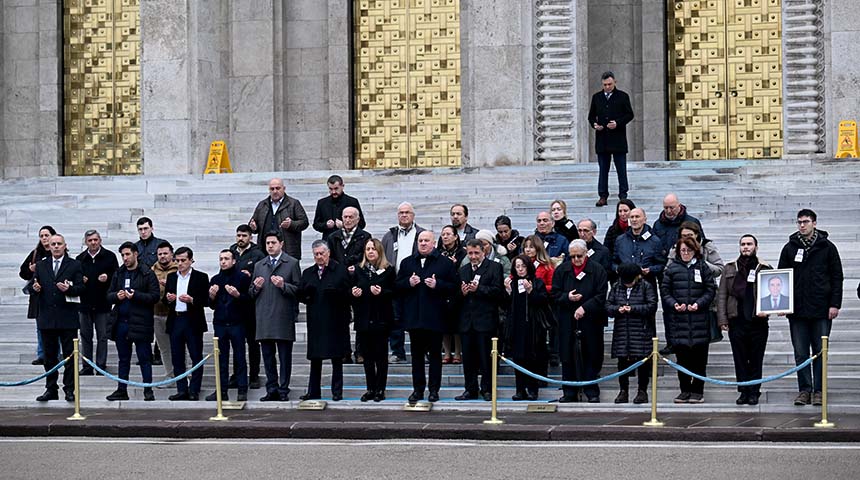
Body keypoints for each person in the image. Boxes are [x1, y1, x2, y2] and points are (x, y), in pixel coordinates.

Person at [778, 209, 843, 406]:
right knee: (800, 352)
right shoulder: (789, 248)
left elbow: (836, 277)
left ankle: (819, 390)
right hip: (797, 311)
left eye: (805, 222)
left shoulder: (828, 247)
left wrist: (834, 304)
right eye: (799, 222)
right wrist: (782, 303)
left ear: (814, 223)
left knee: (820, 351)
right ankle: (804, 390)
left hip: (821, 310)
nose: (802, 225)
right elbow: (781, 277)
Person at [396, 230, 458, 403]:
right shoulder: (407, 262)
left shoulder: (445, 263)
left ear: (433, 243)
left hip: (435, 317)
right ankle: (417, 390)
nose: (423, 243)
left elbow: (454, 287)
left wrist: (438, 285)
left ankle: (434, 390)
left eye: (426, 240)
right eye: (420, 240)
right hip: (414, 318)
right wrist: (408, 283)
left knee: (435, 356)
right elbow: (398, 286)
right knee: (416, 357)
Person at [28, 234, 85, 402]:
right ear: (49, 246)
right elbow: (32, 285)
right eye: (53, 244)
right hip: (47, 318)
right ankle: (51, 388)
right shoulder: (41, 265)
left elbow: (82, 288)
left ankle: (69, 389)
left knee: (69, 356)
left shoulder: (75, 264)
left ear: (65, 245)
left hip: (67, 318)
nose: (56, 246)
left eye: (59, 244)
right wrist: (35, 287)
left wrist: (69, 288)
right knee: (49, 357)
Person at [717, 234, 772, 405]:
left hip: (758, 321)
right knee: (739, 358)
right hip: (737, 319)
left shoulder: (765, 267)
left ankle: (754, 391)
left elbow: (772, 292)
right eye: (743, 244)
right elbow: (722, 296)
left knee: (756, 358)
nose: (746, 247)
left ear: (756, 246)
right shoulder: (729, 268)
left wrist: (768, 311)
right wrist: (722, 319)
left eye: (749, 244)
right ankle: (743, 391)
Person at [661, 237, 716, 404]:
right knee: (682, 359)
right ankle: (684, 390)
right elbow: (665, 290)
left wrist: (698, 304)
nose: (685, 254)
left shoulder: (702, 267)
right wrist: (674, 304)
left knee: (700, 360)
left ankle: (698, 390)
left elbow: (710, 289)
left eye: (689, 251)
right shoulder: (672, 269)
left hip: (699, 320)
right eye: (683, 250)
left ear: (695, 251)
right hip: (679, 321)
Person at [552, 239, 608, 403]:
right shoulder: (562, 270)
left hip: (591, 320)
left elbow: (601, 294)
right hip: (567, 320)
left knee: (591, 354)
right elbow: (555, 293)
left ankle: (591, 391)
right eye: (573, 256)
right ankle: (569, 391)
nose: (576, 259)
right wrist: (567, 297)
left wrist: (585, 308)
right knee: (567, 356)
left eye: (579, 256)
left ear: (586, 255)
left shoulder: (597, 270)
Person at [249, 231, 301, 402]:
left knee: (285, 357)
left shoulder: (291, 263)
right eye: (267, 243)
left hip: (283, 317)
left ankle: (283, 389)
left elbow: (299, 290)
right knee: (268, 356)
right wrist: (255, 288)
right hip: (264, 317)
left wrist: (283, 285)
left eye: (273, 242)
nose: (270, 246)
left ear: (281, 244)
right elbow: (251, 293)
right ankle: (272, 388)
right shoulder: (259, 265)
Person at [105, 242, 160, 402]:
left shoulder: (147, 273)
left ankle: (148, 390)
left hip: (140, 322)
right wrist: (117, 296)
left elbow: (155, 296)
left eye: (128, 254)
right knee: (123, 359)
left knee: (144, 358)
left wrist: (136, 295)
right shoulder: (119, 273)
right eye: (122, 255)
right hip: (121, 322)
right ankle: (122, 389)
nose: (125, 258)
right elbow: (109, 295)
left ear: (136, 254)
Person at [299, 240, 352, 401]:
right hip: (316, 320)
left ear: (328, 253)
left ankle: (337, 391)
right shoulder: (308, 273)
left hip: (335, 320)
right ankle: (313, 391)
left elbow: (349, 294)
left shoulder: (340, 270)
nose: (319, 257)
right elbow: (301, 295)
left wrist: (337, 293)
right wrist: (307, 293)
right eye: (316, 254)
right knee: (315, 359)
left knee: (337, 358)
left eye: (322, 253)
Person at [456, 239, 505, 401]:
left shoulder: (494, 267)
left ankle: (487, 389)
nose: (473, 256)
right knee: (468, 359)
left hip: (486, 320)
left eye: (476, 253)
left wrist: (479, 289)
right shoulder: (463, 270)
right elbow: (455, 296)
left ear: (483, 251)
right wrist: (462, 293)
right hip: (467, 321)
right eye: (470, 253)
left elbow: (498, 292)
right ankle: (470, 389)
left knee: (486, 358)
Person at [381, 202, 426, 364]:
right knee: (395, 318)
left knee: (419, 317)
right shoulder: (390, 235)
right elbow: (382, 256)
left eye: (407, 212)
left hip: (416, 282)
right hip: (395, 282)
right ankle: (397, 351)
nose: (404, 215)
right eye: (401, 212)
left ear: (413, 215)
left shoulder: (421, 233)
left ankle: (423, 351)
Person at [351, 239, 395, 401]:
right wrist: (354, 293)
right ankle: (370, 388)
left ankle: (380, 389)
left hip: (381, 319)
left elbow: (394, 292)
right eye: (368, 249)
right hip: (364, 319)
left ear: (379, 252)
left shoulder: (388, 270)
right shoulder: (359, 270)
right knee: (367, 357)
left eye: (373, 249)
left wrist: (381, 292)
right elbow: (352, 290)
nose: (370, 252)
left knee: (381, 357)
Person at [605, 263, 657, 404]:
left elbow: (652, 305)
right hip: (622, 329)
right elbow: (608, 306)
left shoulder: (646, 286)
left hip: (641, 330)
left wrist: (633, 308)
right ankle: (623, 390)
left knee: (642, 361)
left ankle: (642, 391)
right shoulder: (616, 286)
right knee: (622, 361)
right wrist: (618, 309)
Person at [164, 246, 210, 401]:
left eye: (183, 260)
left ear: (191, 261)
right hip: (176, 319)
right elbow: (165, 299)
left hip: (192, 321)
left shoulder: (201, 277)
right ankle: (181, 389)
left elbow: (206, 300)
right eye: (177, 260)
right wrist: (169, 298)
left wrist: (192, 300)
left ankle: (194, 390)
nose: (180, 263)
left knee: (196, 355)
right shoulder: (171, 277)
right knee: (177, 357)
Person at [504, 255, 552, 401]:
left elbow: (543, 301)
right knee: (518, 359)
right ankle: (520, 390)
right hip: (516, 326)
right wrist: (508, 292)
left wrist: (531, 291)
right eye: (517, 266)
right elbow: (505, 305)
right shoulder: (512, 283)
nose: (520, 269)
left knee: (532, 359)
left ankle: (532, 389)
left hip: (533, 327)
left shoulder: (537, 282)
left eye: (523, 266)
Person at [329, 206, 373, 364]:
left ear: (357, 219)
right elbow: (330, 258)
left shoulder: (365, 236)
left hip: (358, 282)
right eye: (345, 217)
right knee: (341, 319)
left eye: (350, 217)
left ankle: (360, 351)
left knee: (361, 319)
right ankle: (344, 351)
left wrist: (357, 266)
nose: (347, 220)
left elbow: (368, 256)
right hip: (341, 283)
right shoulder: (333, 237)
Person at [207, 249, 251, 402]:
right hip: (220, 324)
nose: (223, 262)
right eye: (221, 259)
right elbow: (211, 305)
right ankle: (221, 390)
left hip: (237, 323)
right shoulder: (215, 279)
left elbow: (249, 300)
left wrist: (238, 295)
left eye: (226, 259)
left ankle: (242, 389)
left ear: (234, 261)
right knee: (221, 359)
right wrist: (211, 296)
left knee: (239, 357)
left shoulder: (242, 278)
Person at [588, 71, 634, 206]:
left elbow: (629, 114)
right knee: (603, 169)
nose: (607, 87)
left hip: (618, 139)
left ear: (615, 82)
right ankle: (603, 195)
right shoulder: (597, 97)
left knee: (621, 169)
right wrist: (594, 125)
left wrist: (618, 123)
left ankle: (623, 194)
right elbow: (591, 116)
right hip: (602, 139)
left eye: (609, 84)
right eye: (605, 85)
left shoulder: (623, 96)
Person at [75, 229, 118, 376]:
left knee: (102, 336)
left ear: (100, 240)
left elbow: (117, 276)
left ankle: (101, 365)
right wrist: (80, 280)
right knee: (85, 337)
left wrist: (109, 277)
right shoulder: (80, 259)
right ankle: (87, 366)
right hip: (85, 304)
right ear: (86, 242)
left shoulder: (110, 257)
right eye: (90, 240)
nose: (93, 242)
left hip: (103, 304)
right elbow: (74, 279)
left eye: (95, 240)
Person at [229, 224, 266, 389]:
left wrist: (250, 276)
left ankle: (254, 375)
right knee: (237, 342)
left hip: (251, 302)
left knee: (252, 342)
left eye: (244, 235)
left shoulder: (257, 253)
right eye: (238, 235)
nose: (240, 238)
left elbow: (262, 275)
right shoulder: (232, 251)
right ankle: (237, 374)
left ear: (250, 237)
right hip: (235, 303)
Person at [19, 225, 57, 366]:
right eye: (41, 236)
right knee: (40, 327)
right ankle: (42, 355)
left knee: (57, 327)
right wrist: (30, 270)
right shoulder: (35, 253)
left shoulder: (58, 252)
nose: (44, 238)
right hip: (39, 297)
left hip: (55, 296)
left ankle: (56, 354)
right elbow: (23, 273)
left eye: (46, 235)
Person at [249, 178, 309, 260]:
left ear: (284, 189)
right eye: (272, 189)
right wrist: (253, 227)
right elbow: (253, 222)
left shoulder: (293, 203)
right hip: (265, 251)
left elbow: (304, 222)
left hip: (288, 251)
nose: (275, 191)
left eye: (278, 188)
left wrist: (291, 224)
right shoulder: (262, 205)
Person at [522, 234, 557, 367]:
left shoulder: (546, 266)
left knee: (539, 341)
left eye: (531, 247)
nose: (528, 250)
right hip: (524, 306)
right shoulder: (521, 264)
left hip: (541, 306)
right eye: (526, 247)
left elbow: (552, 286)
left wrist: (536, 287)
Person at [612, 208, 665, 289]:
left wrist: (650, 269)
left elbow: (661, 265)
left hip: (647, 287)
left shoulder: (655, 241)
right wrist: (618, 269)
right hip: (624, 286)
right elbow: (613, 261)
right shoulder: (620, 240)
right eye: (632, 217)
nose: (634, 220)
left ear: (644, 220)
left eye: (637, 217)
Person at [150, 241, 177, 384]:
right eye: (160, 254)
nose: (163, 256)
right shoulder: (152, 270)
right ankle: (169, 375)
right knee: (164, 348)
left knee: (178, 347)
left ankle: (181, 375)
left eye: (165, 253)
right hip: (156, 313)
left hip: (175, 314)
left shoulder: (178, 268)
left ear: (171, 254)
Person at [439, 225, 465, 364]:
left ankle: (458, 353)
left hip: (457, 292)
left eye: (448, 234)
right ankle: (447, 352)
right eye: (443, 234)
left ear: (456, 236)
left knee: (456, 325)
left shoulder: (462, 253)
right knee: (445, 325)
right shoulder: (438, 252)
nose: (445, 236)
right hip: (442, 292)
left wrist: (455, 265)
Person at [312, 174, 366, 241]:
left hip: (348, 241)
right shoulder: (322, 203)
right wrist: (325, 225)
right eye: (331, 189)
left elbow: (361, 224)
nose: (333, 192)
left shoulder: (352, 202)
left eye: (336, 188)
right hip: (329, 242)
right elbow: (316, 225)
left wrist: (344, 225)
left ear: (342, 186)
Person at [603, 199, 636, 264]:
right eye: (620, 211)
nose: (622, 214)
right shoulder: (612, 229)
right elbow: (607, 248)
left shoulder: (638, 228)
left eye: (625, 211)